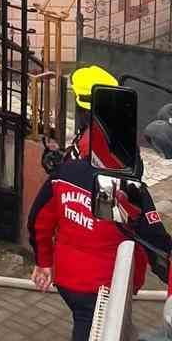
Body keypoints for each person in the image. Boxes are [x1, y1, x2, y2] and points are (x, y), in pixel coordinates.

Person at [29, 65, 172, 341]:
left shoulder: (66, 170)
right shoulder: (122, 180)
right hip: (104, 285)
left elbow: (38, 220)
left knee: (91, 324)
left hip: (70, 279)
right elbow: (151, 236)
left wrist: (43, 262)